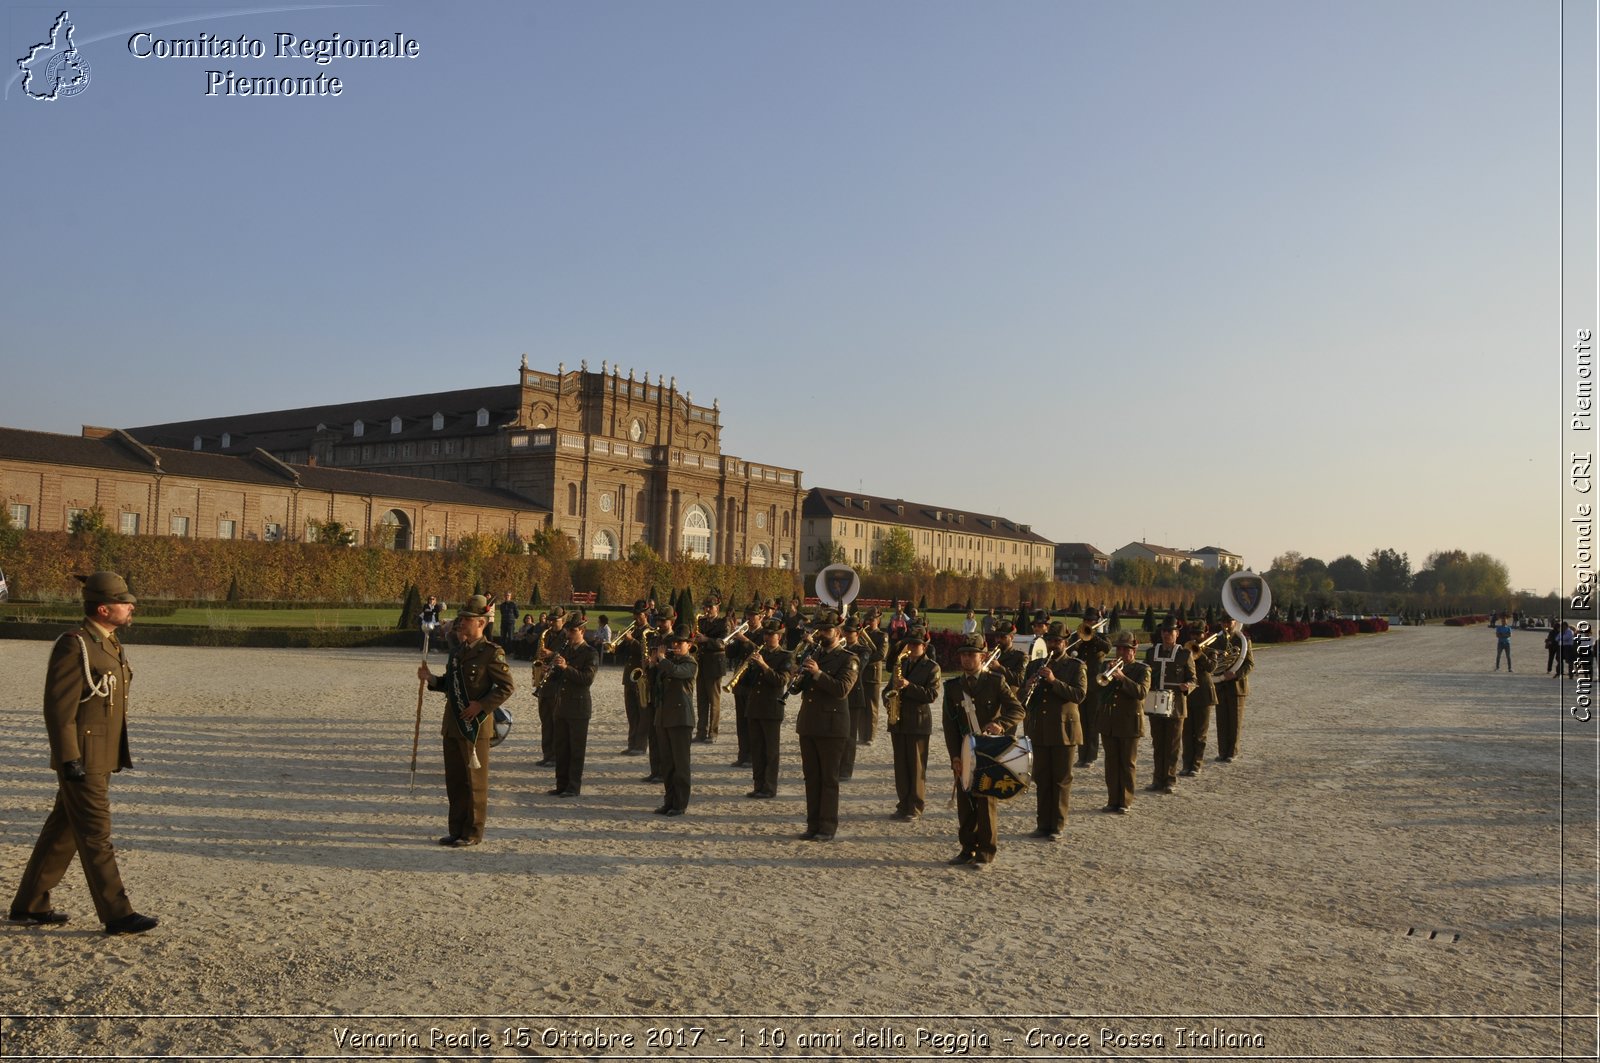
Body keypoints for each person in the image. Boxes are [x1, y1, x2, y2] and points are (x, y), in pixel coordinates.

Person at [10, 571, 158, 934]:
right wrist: (68, 758)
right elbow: (58, 710)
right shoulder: (74, 644)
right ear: (104, 608)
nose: (131, 606)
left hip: (100, 754)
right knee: (95, 834)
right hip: (83, 758)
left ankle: (29, 904)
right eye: (125, 602)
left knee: (63, 829)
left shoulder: (106, 641)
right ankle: (117, 913)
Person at [418, 594, 515, 847]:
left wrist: (481, 706)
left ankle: (473, 832)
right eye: (461, 619)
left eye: (467, 619)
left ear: (481, 623)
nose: (461, 623)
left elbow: (506, 688)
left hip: (476, 727)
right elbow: (451, 685)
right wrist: (431, 680)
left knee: (475, 784)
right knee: (455, 781)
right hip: (452, 724)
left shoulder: (491, 653)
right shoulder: (458, 652)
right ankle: (456, 829)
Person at [942, 633, 1024, 865]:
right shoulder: (953, 687)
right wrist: (955, 756)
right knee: (965, 802)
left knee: (985, 801)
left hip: (988, 751)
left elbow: (1018, 710)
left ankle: (986, 852)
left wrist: (1001, 724)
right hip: (965, 751)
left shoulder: (995, 682)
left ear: (983, 656)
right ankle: (967, 848)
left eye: (972, 654)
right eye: (964, 654)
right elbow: (949, 725)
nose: (967, 659)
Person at [794, 609, 860, 841]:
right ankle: (812, 824)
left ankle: (827, 827)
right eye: (820, 629)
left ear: (838, 631)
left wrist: (818, 673)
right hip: (809, 723)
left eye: (827, 630)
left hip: (832, 727)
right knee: (811, 777)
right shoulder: (814, 653)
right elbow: (797, 689)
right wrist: (798, 676)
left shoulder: (848, 659)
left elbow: (842, 690)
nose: (822, 633)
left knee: (829, 779)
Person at [1020, 621, 1088, 839]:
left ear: (1065, 642)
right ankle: (1042, 824)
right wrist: (1029, 685)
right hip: (1039, 730)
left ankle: (1057, 824)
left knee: (1061, 778)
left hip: (1064, 732)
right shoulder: (1035, 664)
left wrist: (1053, 681)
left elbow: (1079, 695)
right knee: (1041, 778)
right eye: (1049, 640)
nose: (1053, 644)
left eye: (1057, 641)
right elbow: (1022, 699)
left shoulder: (1075, 666)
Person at [886, 626, 942, 820]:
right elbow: (888, 689)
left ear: (924, 647)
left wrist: (909, 686)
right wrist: (889, 699)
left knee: (917, 767)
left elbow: (932, 695)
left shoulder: (932, 667)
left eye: (916, 644)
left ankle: (915, 806)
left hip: (918, 722)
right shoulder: (900, 664)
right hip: (899, 722)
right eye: (910, 643)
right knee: (901, 766)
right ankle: (903, 804)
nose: (912, 647)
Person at [1097, 631, 1151, 813]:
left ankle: (1125, 801)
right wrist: (1108, 673)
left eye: (1125, 649)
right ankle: (1112, 799)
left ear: (1134, 651)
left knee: (1127, 764)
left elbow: (1141, 692)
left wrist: (1122, 677)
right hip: (1109, 722)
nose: (1121, 652)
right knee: (1111, 763)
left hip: (1129, 723)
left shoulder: (1142, 669)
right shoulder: (1107, 665)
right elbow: (1098, 688)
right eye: (1118, 648)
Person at [548, 613, 599, 797]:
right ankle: (561, 784)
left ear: (582, 631)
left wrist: (565, 668)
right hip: (562, 706)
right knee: (561, 748)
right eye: (568, 630)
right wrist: (551, 671)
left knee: (576, 750)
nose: (569, 634)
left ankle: (573, 786)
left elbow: (587, 679)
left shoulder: (590, 653)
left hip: (578, 708)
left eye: (573, 630)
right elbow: (558, 678)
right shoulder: (565, 650)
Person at [742, 618, 793, 798]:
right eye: (766, 634)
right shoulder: (759, 652)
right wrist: (748, 667)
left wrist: (763, 665)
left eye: (771, 634)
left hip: (772, 708)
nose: (767, 637)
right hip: (755, 707)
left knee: (771, 752)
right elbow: (748, 683)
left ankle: (769, 787)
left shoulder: (786, 656)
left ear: (778, 637)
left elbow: (781, 680)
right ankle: (758, 785)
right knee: (757, 749)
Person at [1143, 619, 1194, 794]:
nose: (1166, 634)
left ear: (1177, 634)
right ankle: (1157, 779)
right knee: (1158, 744)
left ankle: (1170, 780)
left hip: (1176, 706)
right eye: (1164, 631)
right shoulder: (1151, 653)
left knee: (1172, 745)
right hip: (1155, 704)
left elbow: (1193, 679)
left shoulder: (1185, 654)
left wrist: (1187, 685)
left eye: (1170, 631)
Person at [651, 628, 698, 815]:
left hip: (681, 719)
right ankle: (669, 801)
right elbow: (657, 686)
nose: (676, 646)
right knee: (667, 764)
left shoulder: (690, 663)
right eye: (674, 643)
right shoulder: (669, 662)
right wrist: (653, 665)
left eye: (680, 643)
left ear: (689, 645)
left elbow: (678, 672)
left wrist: (662, 660)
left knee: (681, 764)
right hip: (664, 717)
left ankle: (680, 804)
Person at [1070, 607, 1112, 768]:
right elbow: (1070, 650)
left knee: (1093, 721)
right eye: (1086, 620)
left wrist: (1092, 636)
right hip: (1079, 683)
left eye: (1091, 621)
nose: (1088, 623)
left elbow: (1107, 648)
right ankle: (1082, 756)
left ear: (1096, 622)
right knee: (1081, 720)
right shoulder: (1077, 635)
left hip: (1095, 684)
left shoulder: (1101, 637)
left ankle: (1091, 756)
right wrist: (1077, 642)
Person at [1213, 617, 1254, 762]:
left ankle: (1232, 752)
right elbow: (1213, 662)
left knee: (1235, 721)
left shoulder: (1243, 640)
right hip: (1220, 685)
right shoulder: (1217, 640)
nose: (1226, 625)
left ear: (1235, 623)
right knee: (1222, 720)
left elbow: (1249, 664)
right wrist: (1218, 673)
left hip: (1237, 686)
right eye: (1223, 622)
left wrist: (1236, 674)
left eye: (1229, 622)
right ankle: (1222, 751)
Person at [1181, 623, 1219, 776]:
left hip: (1203, 695)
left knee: (1200, 733)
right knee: (1187, 732)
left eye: (1199, 634)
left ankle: (1196, 764)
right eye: (1193, 634)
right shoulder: (1185, 650)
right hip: (1188, 695)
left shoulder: (1211, 651)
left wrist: (1200, 653)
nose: (1195, 637)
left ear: (1205, 634)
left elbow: (1211, 668)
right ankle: (1186, 764)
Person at [693, 596, 729, 742]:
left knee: (714, 701)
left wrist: (706, 640)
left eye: (710, 607)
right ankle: (701, 732)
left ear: (717, 609)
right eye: (705, 607)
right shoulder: (701, 622)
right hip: (702, 663)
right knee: (701, 700)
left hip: (715, 664)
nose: (707, 610)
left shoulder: (723, 623)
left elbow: (723, 642)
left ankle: (713, 733)